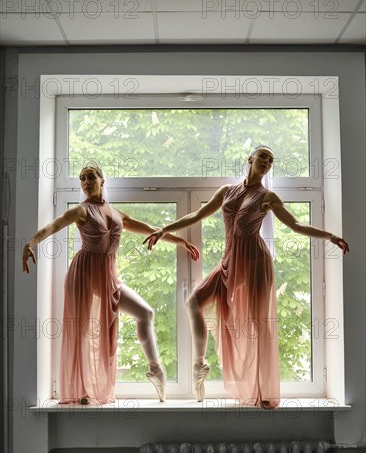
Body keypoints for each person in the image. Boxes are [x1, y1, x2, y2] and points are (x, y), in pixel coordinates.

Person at [144, 146, 349, 409]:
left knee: (257, 325)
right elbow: (197, 215)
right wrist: (164, 230)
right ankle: (199, 365)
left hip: (254, 262)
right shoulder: (227, 191)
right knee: (193, 302)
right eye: (263, 156)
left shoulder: (268, 196)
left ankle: (263, 390)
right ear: (250, 160)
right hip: (230, 260)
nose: (267, 162)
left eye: (271, 160)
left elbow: (296, 225)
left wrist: (329, 236)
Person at [23, 165, 199, 405]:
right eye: (82, 178)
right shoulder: (80, 211)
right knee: (82, 331)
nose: (86, 181)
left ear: (102, 181)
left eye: (91, 177)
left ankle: (155, 369)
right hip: (83, 273)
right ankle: (82, 390)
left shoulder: (117, 214)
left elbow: (149, 230)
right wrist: (30, 243)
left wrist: (179, 240)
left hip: (108, 276)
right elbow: (54, 225)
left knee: (145, 312)